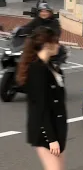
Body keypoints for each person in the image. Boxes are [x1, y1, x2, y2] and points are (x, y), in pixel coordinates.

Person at [16, 26, 68, 170]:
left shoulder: (49, 66)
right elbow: (41, 107)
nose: (58, 44)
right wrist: (51, 139)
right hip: (44, 131)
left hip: (56, 129)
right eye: (56, 41)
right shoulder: (37, 70)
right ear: (46, 44)